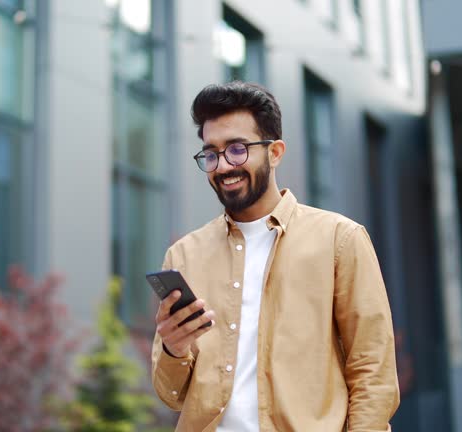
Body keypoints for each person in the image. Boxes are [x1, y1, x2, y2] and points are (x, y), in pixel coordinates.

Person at [151, 81, 399, 432]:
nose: (222, 166)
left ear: (275, 151)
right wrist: (175, 350)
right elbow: (172, 395)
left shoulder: (340, 240)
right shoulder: (183, 256)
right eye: (211, 154)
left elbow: (372, 370)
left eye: (237, 149)